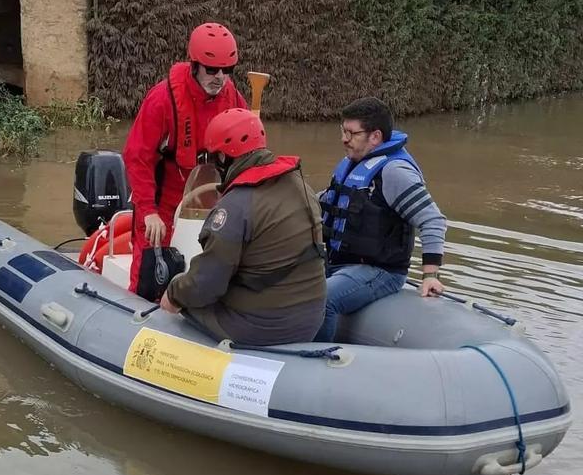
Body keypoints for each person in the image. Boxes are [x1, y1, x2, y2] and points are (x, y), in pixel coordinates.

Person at [159, 109, 326, 346]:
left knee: (181, 302)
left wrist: (173, 293)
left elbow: (207, 283)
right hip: (310, 318)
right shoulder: (301, 186)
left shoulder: (234, 207)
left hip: (262, 326)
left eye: (213, 157)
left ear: (224, 158)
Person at [122, 23, 247, 294]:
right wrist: (148, 212)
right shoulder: (162, 100)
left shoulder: (234, 99)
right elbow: (137, 157)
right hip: (163, 199)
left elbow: (249, 156)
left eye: (227, 70)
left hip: (212, 198)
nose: (220, 77)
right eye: (212, 70)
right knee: (150, 269)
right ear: (194, 65)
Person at [316, 97, 446, 341]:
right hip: (338, 263)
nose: (344, 139)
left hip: (379, 271)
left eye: (351, 133)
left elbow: (433, 220)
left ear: (375, 137)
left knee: (322, 299)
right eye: (343, 131)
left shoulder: (394, 172)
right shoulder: (352, 164)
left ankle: (314, 360)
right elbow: (327, 200)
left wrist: (430, 276)